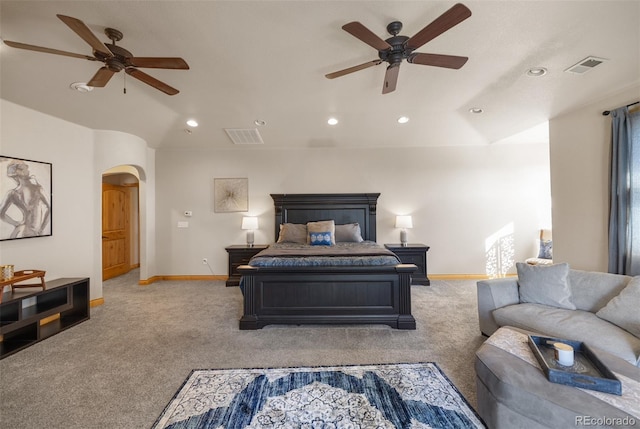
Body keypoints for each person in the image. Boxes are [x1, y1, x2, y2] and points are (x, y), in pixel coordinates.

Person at [0, 160, 51, 238]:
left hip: (21, 231)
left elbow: (1, 213)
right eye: (25, 169)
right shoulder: (38, 189)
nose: (28, 170)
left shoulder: (12, 193)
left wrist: (16, 224)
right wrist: (42, 228)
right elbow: (50, 208)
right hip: (32, 231)